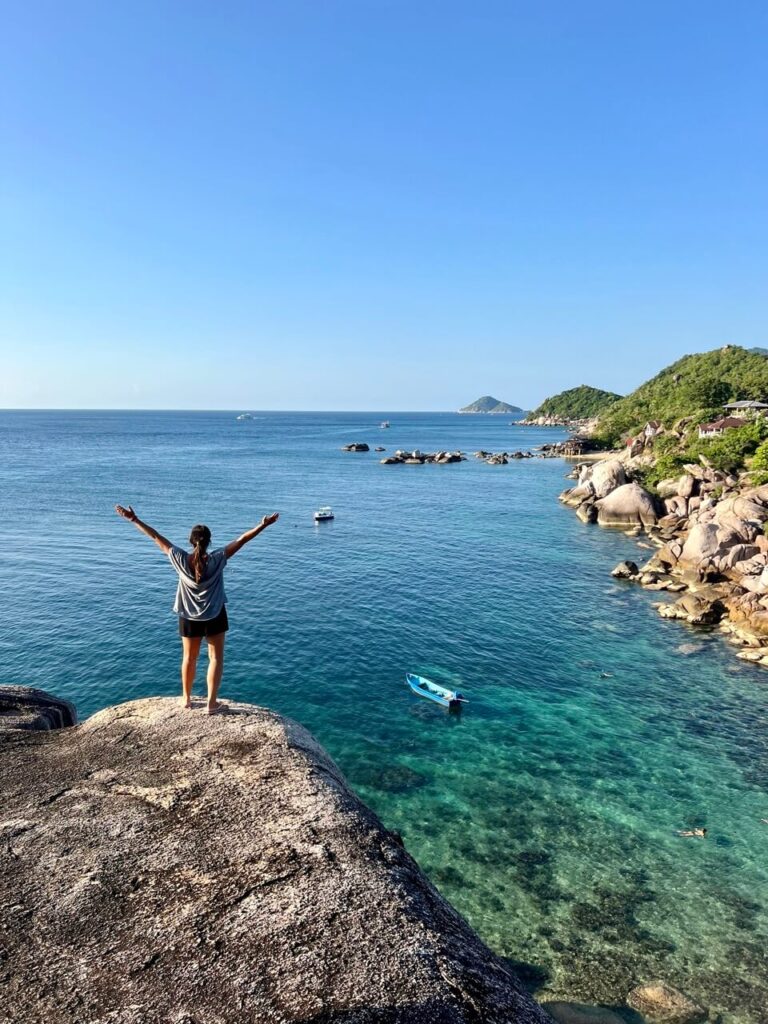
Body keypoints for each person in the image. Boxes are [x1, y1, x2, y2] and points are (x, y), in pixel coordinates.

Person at [115, 505, 279, 714]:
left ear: (191, 541)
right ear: (209, 541)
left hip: (188, 616)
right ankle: (211, 704)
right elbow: (242, 540)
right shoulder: (218, 558)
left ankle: (186, 699)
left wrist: (134, 519)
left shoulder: (180, 558)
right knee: (216, 658)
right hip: (215, 614)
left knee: (188, 658)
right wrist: (262, 525)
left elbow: (155, 536)